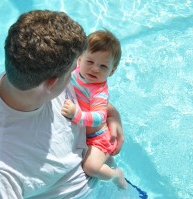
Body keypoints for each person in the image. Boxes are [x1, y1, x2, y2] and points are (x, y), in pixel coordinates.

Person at [0, 10, 125, 199]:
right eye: (71, 73)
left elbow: (90, 100)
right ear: (51, 83)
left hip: (101, 166)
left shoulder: (26, 72)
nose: (78, 72)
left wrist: (113, 115)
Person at [61, 30, 127, 189]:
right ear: (79, 59)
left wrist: (76, 114)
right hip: (87, 134)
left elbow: (99, 117)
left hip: (98, 138)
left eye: (103, 66)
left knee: (90, 167)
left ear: (112, 71)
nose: (95, 69)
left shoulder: (99, 92)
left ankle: (115, 175)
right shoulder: (75, 73)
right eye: (90, 62)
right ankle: (108, 163)